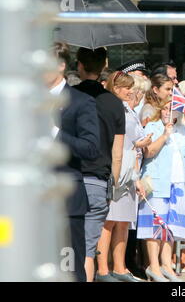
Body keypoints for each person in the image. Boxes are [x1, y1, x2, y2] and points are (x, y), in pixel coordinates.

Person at [46, 42, 100, 282]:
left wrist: (56, 133)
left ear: (60, 65)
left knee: (69, 270)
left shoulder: (80, 102)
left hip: (66, 198)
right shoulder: (27, 100)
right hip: (31, 198)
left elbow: (91, 148)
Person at [73, 47, 126, 282]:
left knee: (65, 246)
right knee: (87, 249)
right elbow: (117, 153)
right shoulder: (115, 104)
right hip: (98, 180)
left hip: (71, 178)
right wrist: (112, 184)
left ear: (79, 66)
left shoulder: (69, 96)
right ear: (104, 66)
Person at [94, 71, 152, 282]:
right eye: (126, 87)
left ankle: (120, 267)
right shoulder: (110, 107)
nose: (130, 91)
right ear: (115, 88)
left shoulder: (129, 108)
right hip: (115, 168)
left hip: (130, 169)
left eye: (131, 87)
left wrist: (136, 176)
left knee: (123, 221)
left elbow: (132, 141)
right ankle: (102, 269)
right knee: (108, 221)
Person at [137, 101, 185, 282]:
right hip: (157, 182)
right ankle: (153, 265)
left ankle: (166, 264)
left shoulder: (183, 129)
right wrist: (164, 134)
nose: (168, 113)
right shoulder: (152, 126)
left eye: (172, 110)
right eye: (165, 109)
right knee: (155, 225)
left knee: (170, 227)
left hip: (178, 183)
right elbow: (148, 152)